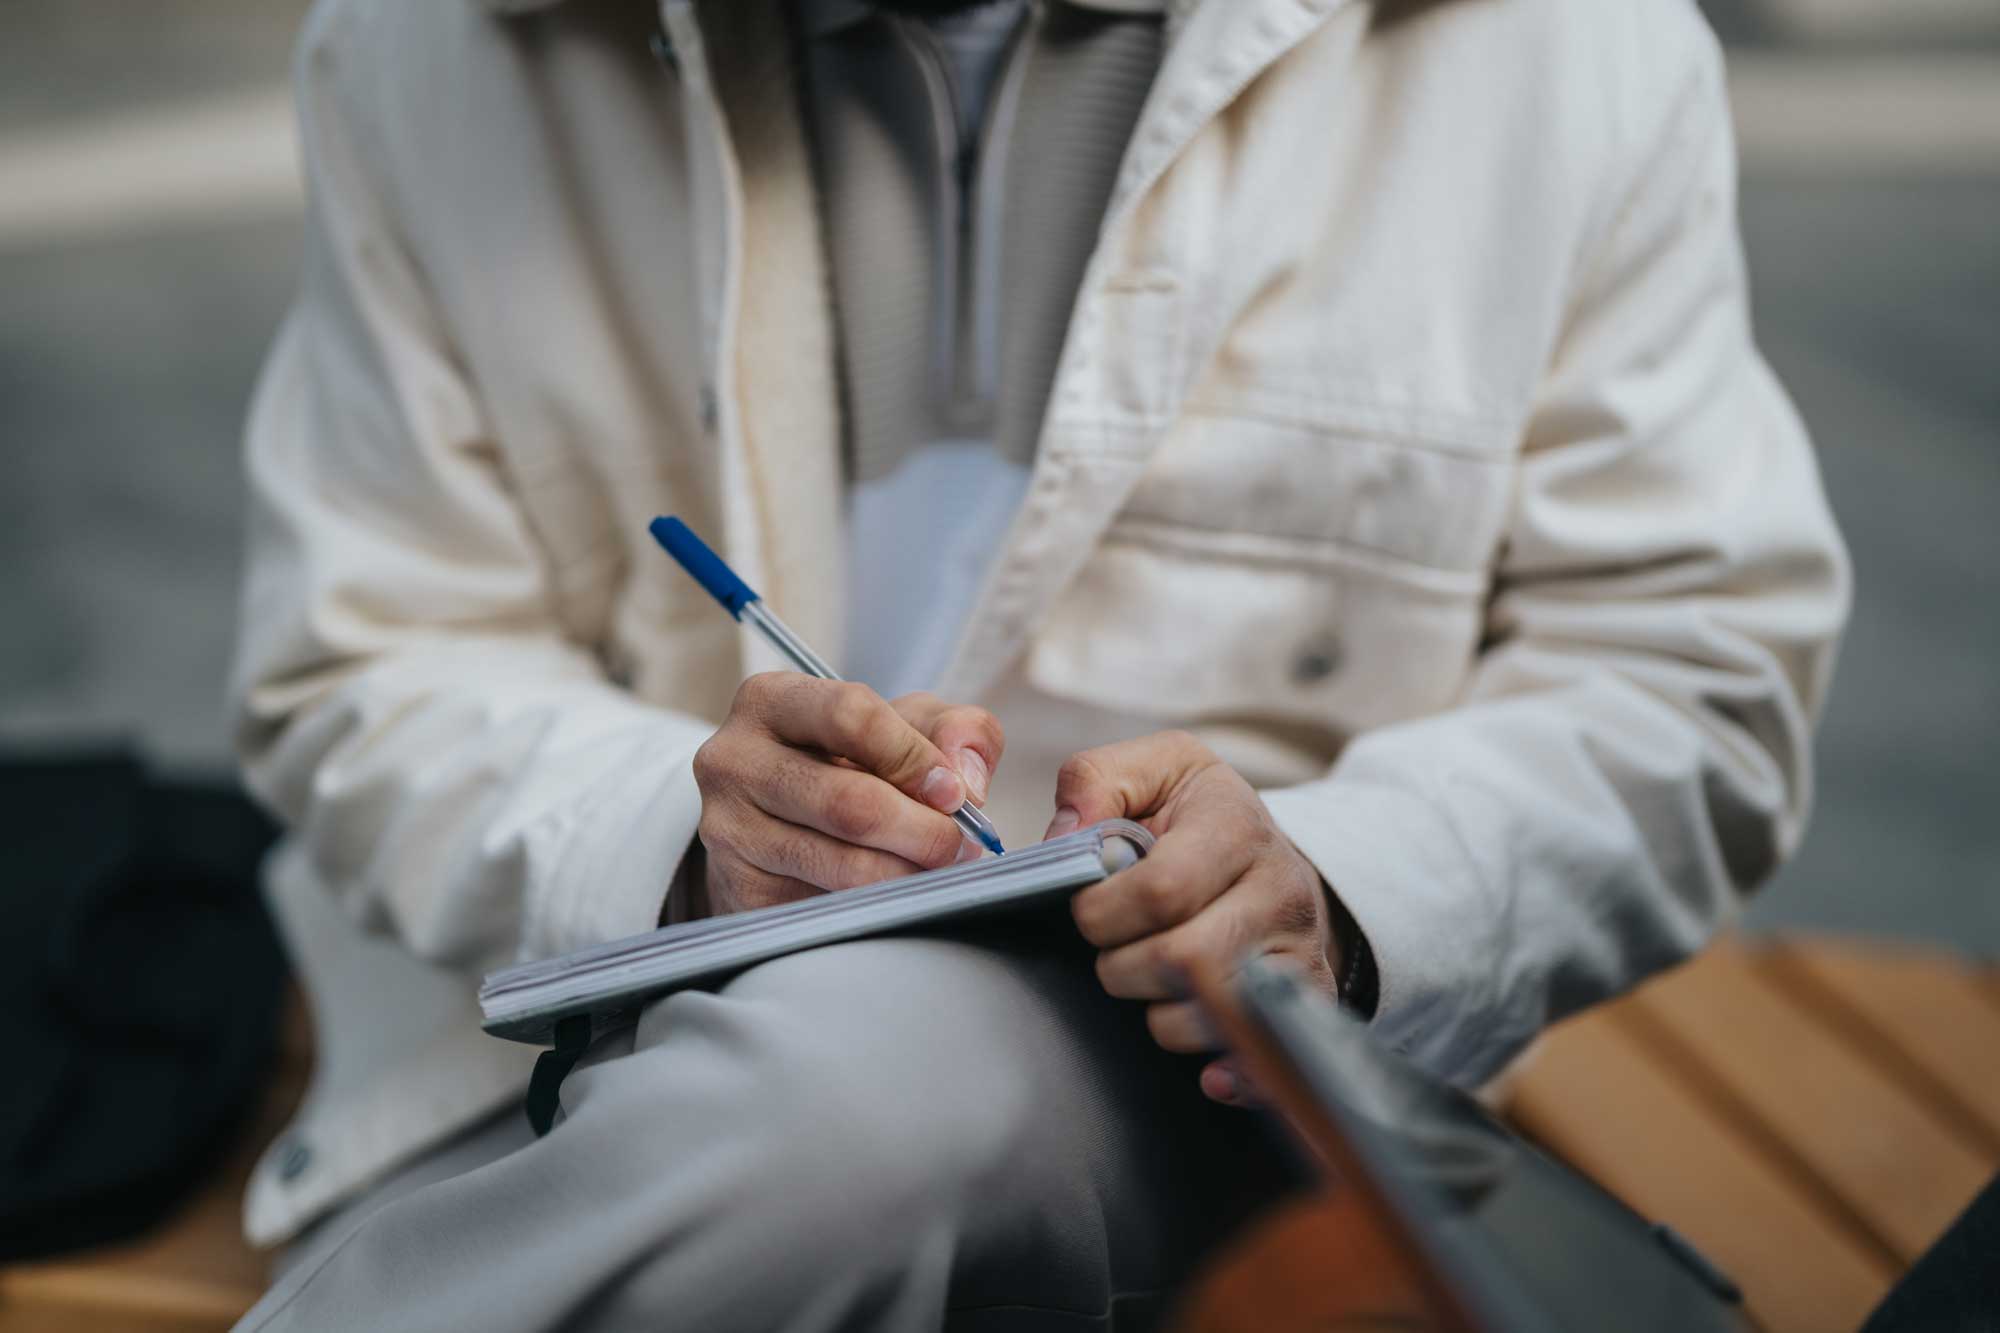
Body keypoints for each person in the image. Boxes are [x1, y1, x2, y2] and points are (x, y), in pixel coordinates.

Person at [228, 0, 1849, 1326]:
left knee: (857, 1101)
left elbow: (1685, 675)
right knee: (848, 1094)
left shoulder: (1564, 52)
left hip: (1218, 1092)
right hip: (581, 1064)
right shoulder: (430, 49)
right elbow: (364, 658)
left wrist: (1332, 891)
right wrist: (676, 839)